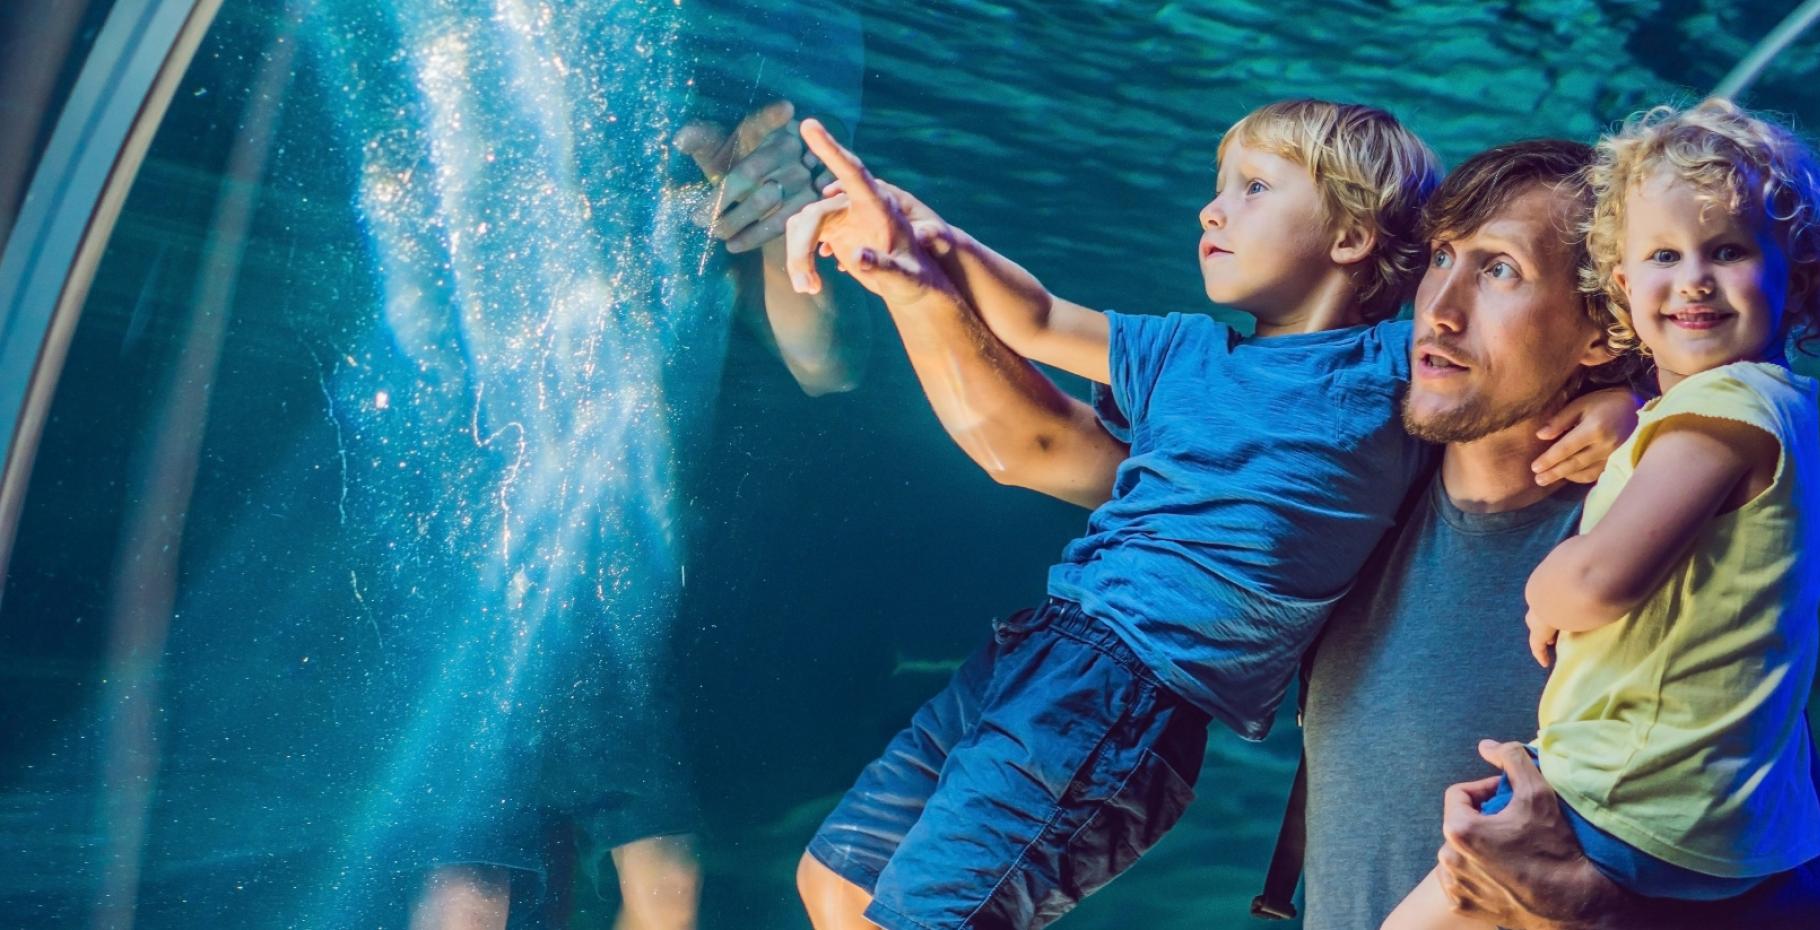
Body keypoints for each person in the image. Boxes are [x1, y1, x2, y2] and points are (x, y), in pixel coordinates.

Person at [781, 100, 1633, 930]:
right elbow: (1035, 325)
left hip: (1132, 695)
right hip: (1042, 642)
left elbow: (1567, 359)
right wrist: (915, 234)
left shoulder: (1390, 370)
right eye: (1445, 258)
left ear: (1349, 236)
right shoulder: (1184, 354)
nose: (1212, 208)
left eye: (1256, 188)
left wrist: (1626, 397)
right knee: (834, 878)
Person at [1300, 136, 1820, 930]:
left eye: (1501, 269)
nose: (1440, 308)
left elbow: (1780, 881)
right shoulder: (1353, 498)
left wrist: (1594, 911)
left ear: (1604, 328)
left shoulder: (1685, 534)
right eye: (1442, 255)